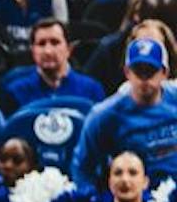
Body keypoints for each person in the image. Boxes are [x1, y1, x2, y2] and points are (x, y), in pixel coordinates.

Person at [73, 37, 177, 189]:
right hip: (134, 196)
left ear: (164, 73)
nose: (144, 79)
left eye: (150, 71)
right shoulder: (105, 115)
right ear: (127, 72)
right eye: (138, 71)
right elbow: (83, 167)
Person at [2, 18, 105, 111]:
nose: (48, 51)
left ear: (69, 49)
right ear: (33, 51)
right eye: (41, 44)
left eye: (55, 42)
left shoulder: (92, 89)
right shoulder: (15, 92)